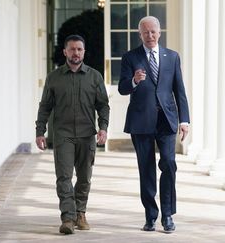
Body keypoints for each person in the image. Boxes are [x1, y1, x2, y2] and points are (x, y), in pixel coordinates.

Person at [118, 16, 190, 233]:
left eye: (153, 32)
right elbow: (122, 88)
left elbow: (179, 90)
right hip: (141, 121)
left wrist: (184, 120)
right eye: (145, 32)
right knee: (146, 170)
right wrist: (134, 81)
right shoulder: (130, 57)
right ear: (139, 34)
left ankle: (167, 215)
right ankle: (151, 216)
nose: (149, 35)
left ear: (159, 33)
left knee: (168, 164)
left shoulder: (172, 57)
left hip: (167, 120)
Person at [35, 34, 110, 234]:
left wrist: (103, 127)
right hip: (63, 135)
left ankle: (81, 213)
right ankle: (68, 218)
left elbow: (103, 106)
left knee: (84, 178)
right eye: (72, 49)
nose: (76, 53)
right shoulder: (54, 78)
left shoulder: (95, 77)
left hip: (87, 135)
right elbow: (45, 108)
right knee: (64, 177)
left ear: (83, 52)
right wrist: (40, 131)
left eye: (79, 49)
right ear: (65, 52)